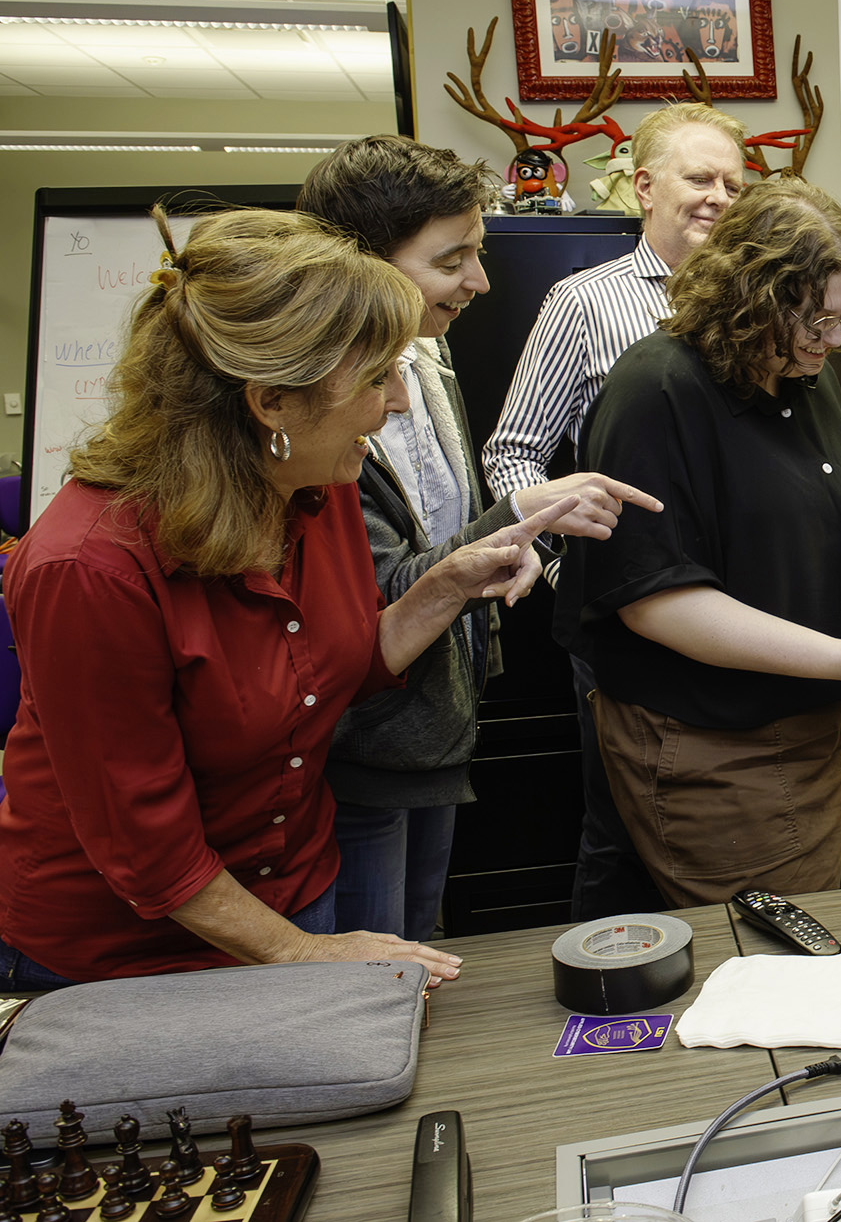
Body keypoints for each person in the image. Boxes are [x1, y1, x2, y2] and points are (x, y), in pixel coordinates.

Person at [0, 208, 562, 988]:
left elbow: (330, 669)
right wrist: (307, 954)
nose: (397, 402)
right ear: (271, 403)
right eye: (375, 378)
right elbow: (146, 848)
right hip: (129, 955)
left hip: (295, 893)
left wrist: (444, 587)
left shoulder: (310, 483)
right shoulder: (88, 567)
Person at [555, 177, 841, 908]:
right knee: (777, 972)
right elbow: (656, 599)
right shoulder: (657, 390)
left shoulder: (801, 374)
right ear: (746, 298)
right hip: (726, 742)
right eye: (814, 323)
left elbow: (777, 516)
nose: (833, 342)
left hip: (831, 723)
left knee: (834, 939)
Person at [296, 135, 662, 942]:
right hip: (361, 749)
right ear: (361, 262)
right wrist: (520, 515)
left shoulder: (428, 356)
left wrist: (507, 540)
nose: (481, 281)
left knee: (417, 946)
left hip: (436, 725)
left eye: (479, 251)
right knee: (375, 976)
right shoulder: (315, 414)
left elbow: (445, 529)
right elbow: (380, 591)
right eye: (452, 258)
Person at [483, 102, 748, 922]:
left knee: (730, 822)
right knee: (626, 830)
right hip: (628, 618)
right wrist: (571, 565)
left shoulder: (758, 303)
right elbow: (514, 450)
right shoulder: (584, 303)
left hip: (744, 613)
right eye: (699, 177)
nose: (718, 196)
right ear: (643, 186)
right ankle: (609, 1014)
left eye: (734, 183)